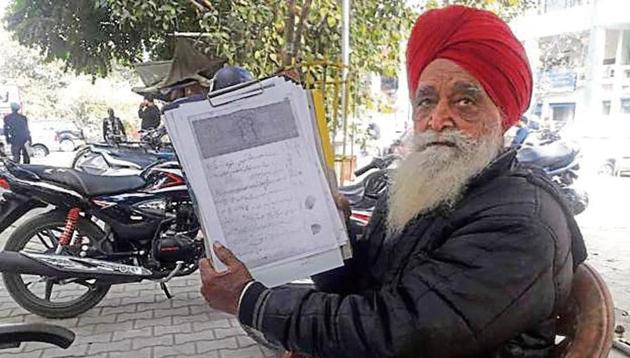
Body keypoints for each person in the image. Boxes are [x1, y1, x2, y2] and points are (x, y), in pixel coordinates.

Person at [198, 6, 587, 357]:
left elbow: (395, 332)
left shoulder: (520, 223)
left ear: (504, 114)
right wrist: (334, 236)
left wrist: (251, 301)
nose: (438, 120)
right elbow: (372, 284)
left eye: (465, 101)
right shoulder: (433, 189)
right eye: (427, 101)